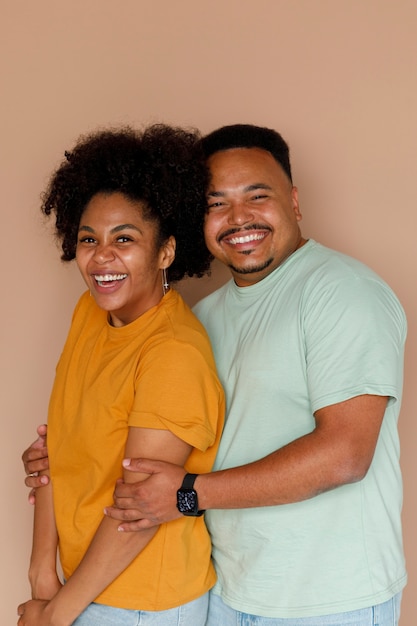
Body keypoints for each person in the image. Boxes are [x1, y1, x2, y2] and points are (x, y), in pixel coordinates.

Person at [23, 124, 407, 626]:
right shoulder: (208, 316)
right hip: (231, 588)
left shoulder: (342, 292)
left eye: (257, 196)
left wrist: (189, 493)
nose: (238, 217)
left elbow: (346, 454)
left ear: (294, 200)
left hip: (329, 596)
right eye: (216, 203)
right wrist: (70, 454)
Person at [18, 125, 224, 626]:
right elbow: (53, 448)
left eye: (124, 239)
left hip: (143, 602)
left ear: (166, 252)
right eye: (89, 239)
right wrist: (42, 574)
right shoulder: (88, 314)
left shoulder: (172, 352)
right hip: (81, 587)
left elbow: (140, 510)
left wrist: (54, 614)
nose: (101, 256)